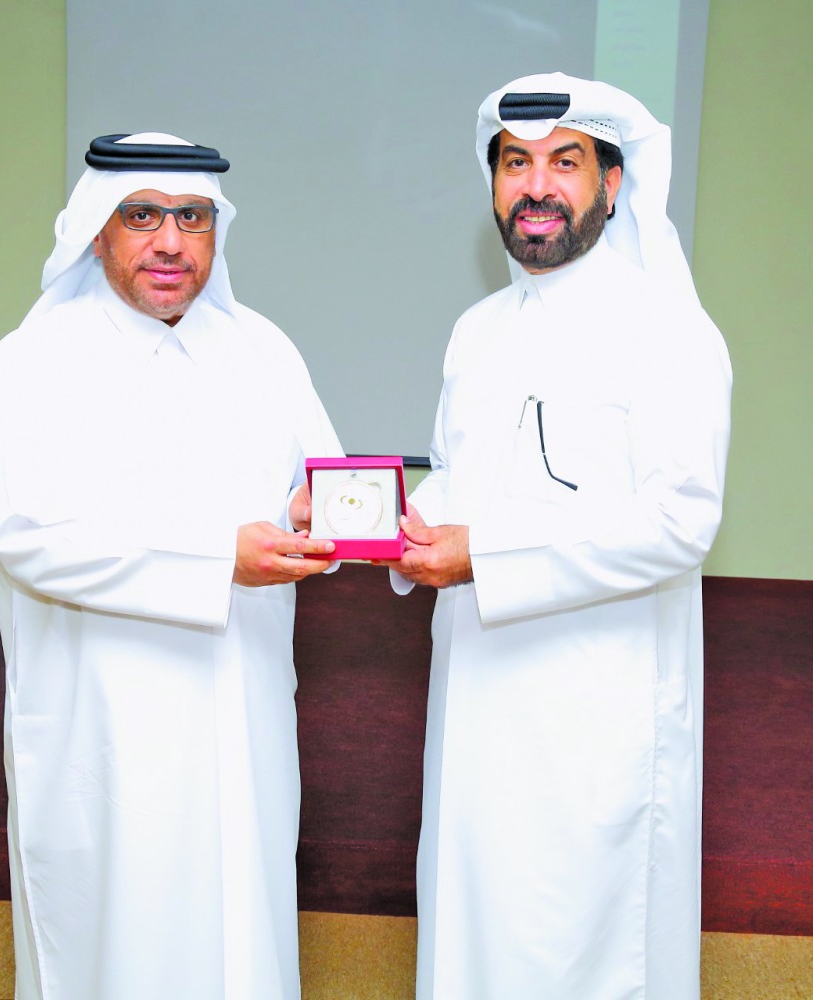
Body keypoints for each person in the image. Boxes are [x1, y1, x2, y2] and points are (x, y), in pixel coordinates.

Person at [0, 132, 342, 1000]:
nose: (169, 241)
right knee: (114, 951)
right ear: (99, 230)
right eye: (142, 216)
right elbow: (29, 535)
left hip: (240, 718)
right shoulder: (30, 364)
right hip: (105, 733)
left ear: (217, 232)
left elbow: (318, 495)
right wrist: (220, 561)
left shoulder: (264, 352)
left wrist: (314, 520)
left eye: (193, 217)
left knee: (239, 943)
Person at [383, 73, 732, 998]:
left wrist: (482, 557)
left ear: (612, 185)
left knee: (580, 950)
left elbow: (680, 520)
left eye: (563, 163)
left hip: (595, 716)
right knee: (474, 939)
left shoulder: (667, 331)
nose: (535, 186)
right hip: (476, 703)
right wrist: (396, 533)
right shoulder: (476, 331)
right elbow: (458, 479)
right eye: (514, 163)